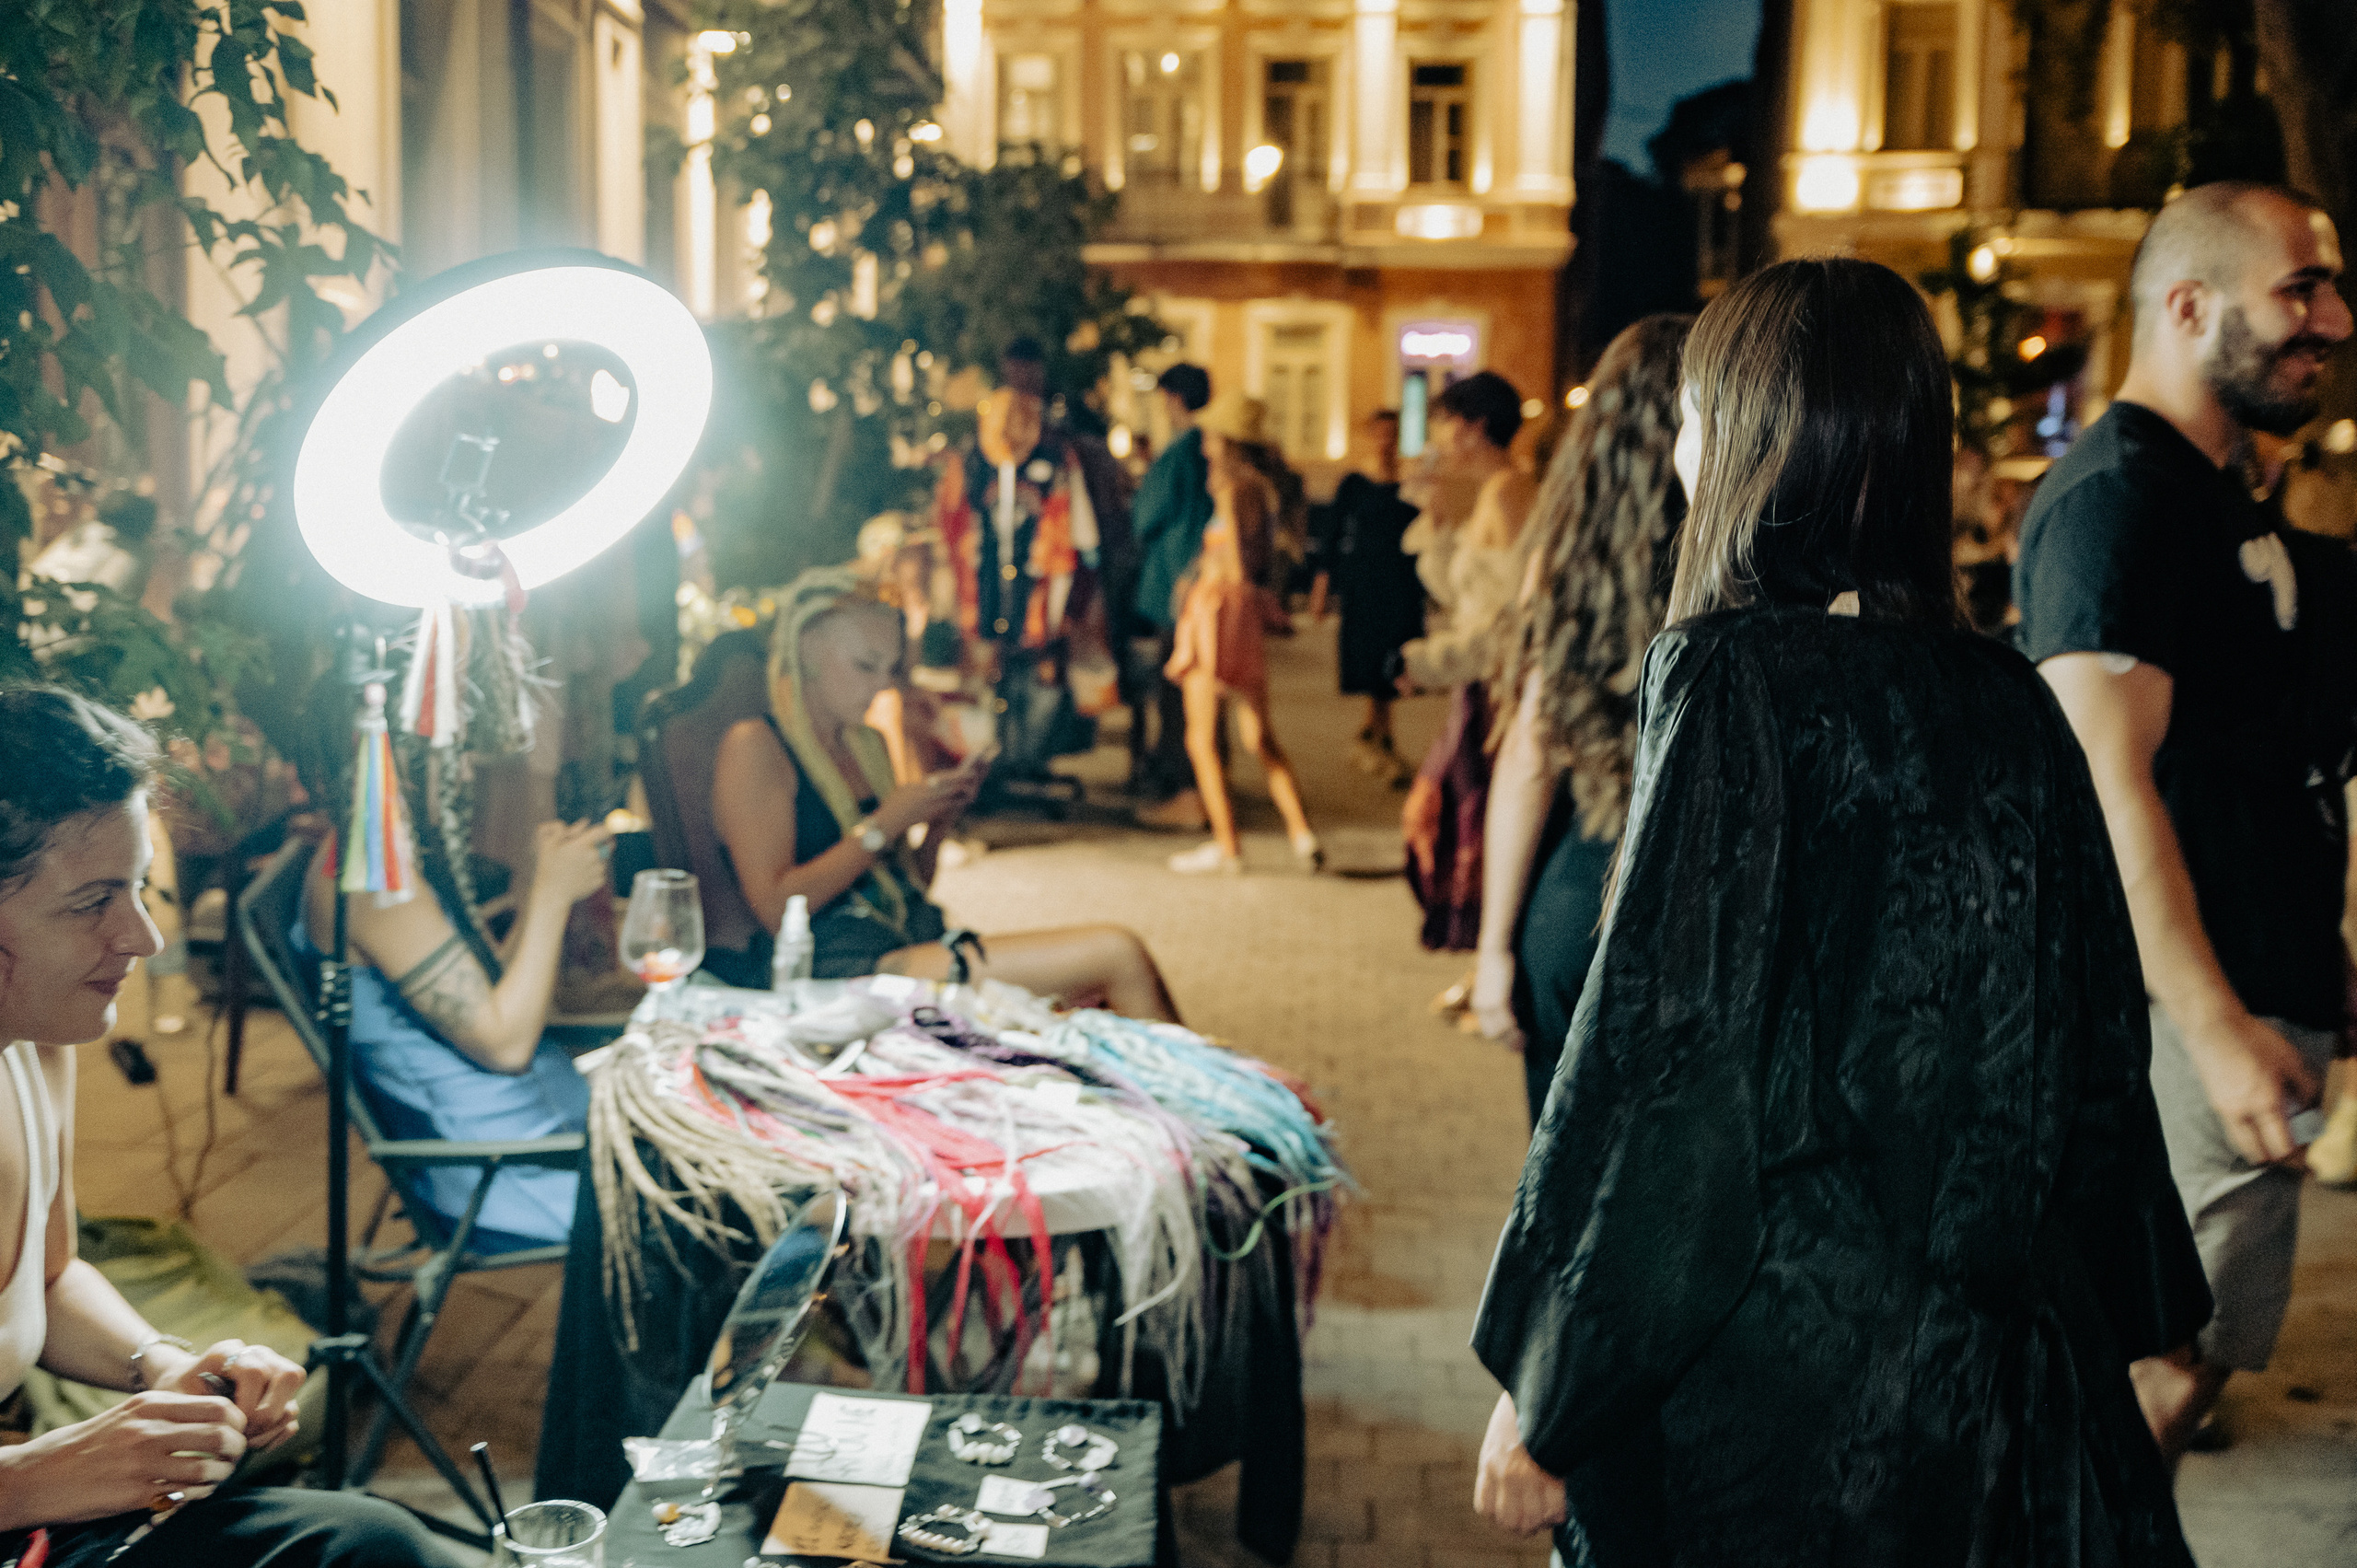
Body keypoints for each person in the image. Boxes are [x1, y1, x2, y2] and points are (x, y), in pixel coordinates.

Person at [1470, 259, 2209, 1565]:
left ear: (1742, 436)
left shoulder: (1728, 675)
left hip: (1777, 1389)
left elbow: (1670, 1068)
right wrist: (2141, 1303)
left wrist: (1553, 1380)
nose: (1683, 446)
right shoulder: (2010, 695)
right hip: (1982, 1376)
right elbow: (2098, 1036)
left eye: (1694, 413)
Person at [2014, 180, 2353, 1461]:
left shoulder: (2210, 490)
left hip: (2251, 988)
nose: (2333, 319)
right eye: (2301, 289)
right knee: (2160, 1368)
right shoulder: (2119, 500)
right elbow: (2108, 781)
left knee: (2181, 1356)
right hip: (2185, 1011)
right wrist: (2213, 1026)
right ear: (2191, 306)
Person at [0, 685, 445, 1566]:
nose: (143, 936)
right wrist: (38, 1477)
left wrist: (162, 1363)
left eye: (137, 886)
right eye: (91, 901)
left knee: (373, 1543)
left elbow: (46, 1279)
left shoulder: (36, 1044)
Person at [712, 569, 1181, 1018]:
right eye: (865, 665)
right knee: (1118, 954)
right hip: (838, 969)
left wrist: (938, 822)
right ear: (807, 650)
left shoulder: (865, 744)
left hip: (907, 943)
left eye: (890, 668)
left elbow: (907, 885)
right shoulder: (755, 745)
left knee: (1103, 990)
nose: (882, 685)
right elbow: (776, 910)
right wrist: (884, 825)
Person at [1467, 315, 1690, 1124]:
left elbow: (1531, 758)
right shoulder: (1748, 562)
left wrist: (1493, 948)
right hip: (1702, 900)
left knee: (1564, 1167)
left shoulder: (1567, 559)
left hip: (1579, 895)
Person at [303, 738, 614, 1253]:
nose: (466, 773)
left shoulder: (375, 851)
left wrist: (534, 889)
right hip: (508, 1173)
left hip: (539, 1128)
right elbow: (507, 1046)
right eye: (444, 755)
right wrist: (552, 897)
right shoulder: (374, 883)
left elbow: (490, 997)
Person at [1399, 371, 1534, 958]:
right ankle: (1481, 951)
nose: (1441, 437)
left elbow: (1507, 613)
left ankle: (1490, 952)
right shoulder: (1490, 491)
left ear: (1475, 426)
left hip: (1491, 681)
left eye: (1448, 423)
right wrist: (1436, 516)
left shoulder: (1509, 491)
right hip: (1473, 676)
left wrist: (1429, 664)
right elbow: (1462, 594)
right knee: (1458, 807)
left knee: (1472, 811)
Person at [1161, 397, 1322, 876]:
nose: (1204, 445)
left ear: (1227, 442)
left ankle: (1227, 845)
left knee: (1201, 739)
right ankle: (1302, 834)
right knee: (1260, 737)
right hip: (1244, 618)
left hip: (1218, 614)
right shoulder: (1264, 490)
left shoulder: (1233, 492)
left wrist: (1201, 578)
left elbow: (1234, 563)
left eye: (1211, 437)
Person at [1309, 411, 1422, 786]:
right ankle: (1379, 737)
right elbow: (1332, 535)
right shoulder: (1354, 482)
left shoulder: (1411, 482)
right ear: (1370, 436)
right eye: (1380, 434)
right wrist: (1322, 585)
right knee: (1371, 654)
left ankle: (1375, 734)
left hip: (1401, 582)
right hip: (1365, 581)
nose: (1386, 441)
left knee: (1396, 654)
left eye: (1392, 434)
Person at [1130, 366, 1218, 815]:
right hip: (1203, 583)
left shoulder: (1182, 451)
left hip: (1176, 586)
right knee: (1201, 692)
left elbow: (1147, 515)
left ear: (1175, 398)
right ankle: (1206, 787)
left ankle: (1187, 790)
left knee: (1177, 694)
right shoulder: (1212, 448)